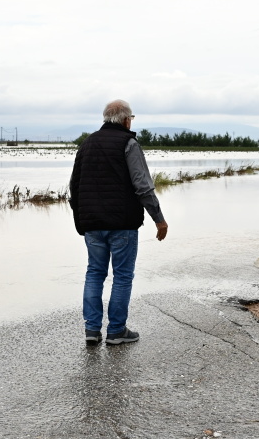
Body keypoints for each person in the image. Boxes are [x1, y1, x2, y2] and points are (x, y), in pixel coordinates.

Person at [69, 99, 168, 346]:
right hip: (122, 223)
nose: (131, 122)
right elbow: (142, 185)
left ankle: (92, 331)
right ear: (126, 120)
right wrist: (159, 219)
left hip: (92, 223)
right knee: (122, 276)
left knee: (94, 273)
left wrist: (81, 219)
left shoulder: (86, 144)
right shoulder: (128, 143)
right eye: (131, 118)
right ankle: (116, 331)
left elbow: (74, 186)